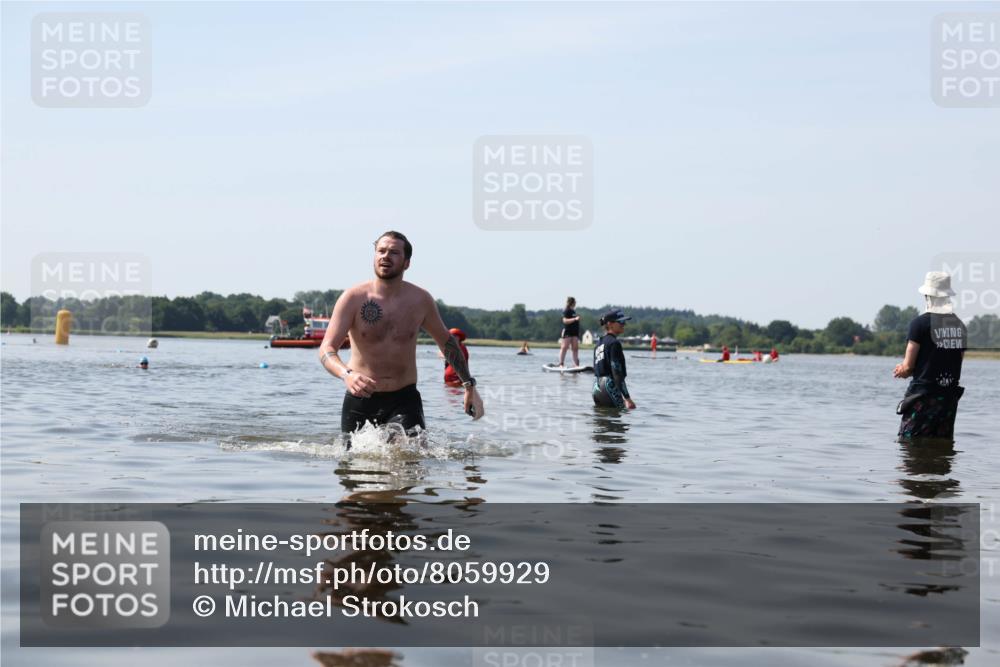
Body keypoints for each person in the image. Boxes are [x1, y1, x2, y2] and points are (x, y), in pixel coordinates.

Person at [318, 231, 485, 440]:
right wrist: (347, 374)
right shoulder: (353, 298)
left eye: (394, 252)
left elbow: (447, 343)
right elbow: (326, 349)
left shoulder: (420, 300)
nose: (385, 256)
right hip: (360, 399)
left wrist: (469, 386)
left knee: (410, 463)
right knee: (354, 468)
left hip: (404, 399)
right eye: (381, 251)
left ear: (406, 263)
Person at [893, 271, 966, 441]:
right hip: (948, 400)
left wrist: (901, 370)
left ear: (927, 295)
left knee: (911, 448)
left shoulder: (919, 324)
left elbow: (909, 367)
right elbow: (956, 361)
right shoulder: (960, 326)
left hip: (922, 398)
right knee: (941, 447)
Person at [592, 309, 636, 409]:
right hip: (609, 388)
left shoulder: (598, 344)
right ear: (610, 324)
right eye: (620, 322)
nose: (624, 324)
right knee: (617, 423)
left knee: (601, 422)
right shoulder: (614, 343)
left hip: (596, 389)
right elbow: (617, 373)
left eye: (624, 322)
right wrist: (628, 398)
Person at [558, 296, 581, 367]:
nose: (576, 303)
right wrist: (575, 319)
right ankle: (561, 363)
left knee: (575, 348)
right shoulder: (566, 310)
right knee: (564, 347)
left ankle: (575, 364)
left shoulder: (573, 311)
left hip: (575, 332)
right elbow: (565, 321)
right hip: (568, 331)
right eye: (575, 302)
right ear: (572, 303)